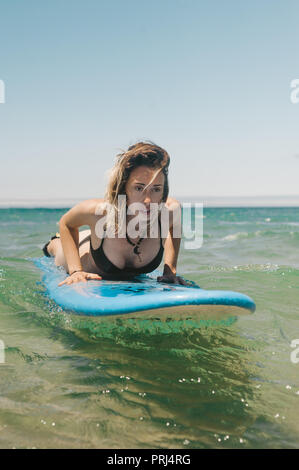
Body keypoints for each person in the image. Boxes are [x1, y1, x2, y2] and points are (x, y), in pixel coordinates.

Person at [43, 142, 190, 286]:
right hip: (83, 248)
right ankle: (54, 243)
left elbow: (174, 227)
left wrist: (170, 271)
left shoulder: (169, 211)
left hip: (98, 234)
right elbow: (66, 223)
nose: (148, 200)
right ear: (123, 187)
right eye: (139, 188)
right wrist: (76, 271)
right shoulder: (99, 212)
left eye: (156, 189)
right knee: (58, 247)